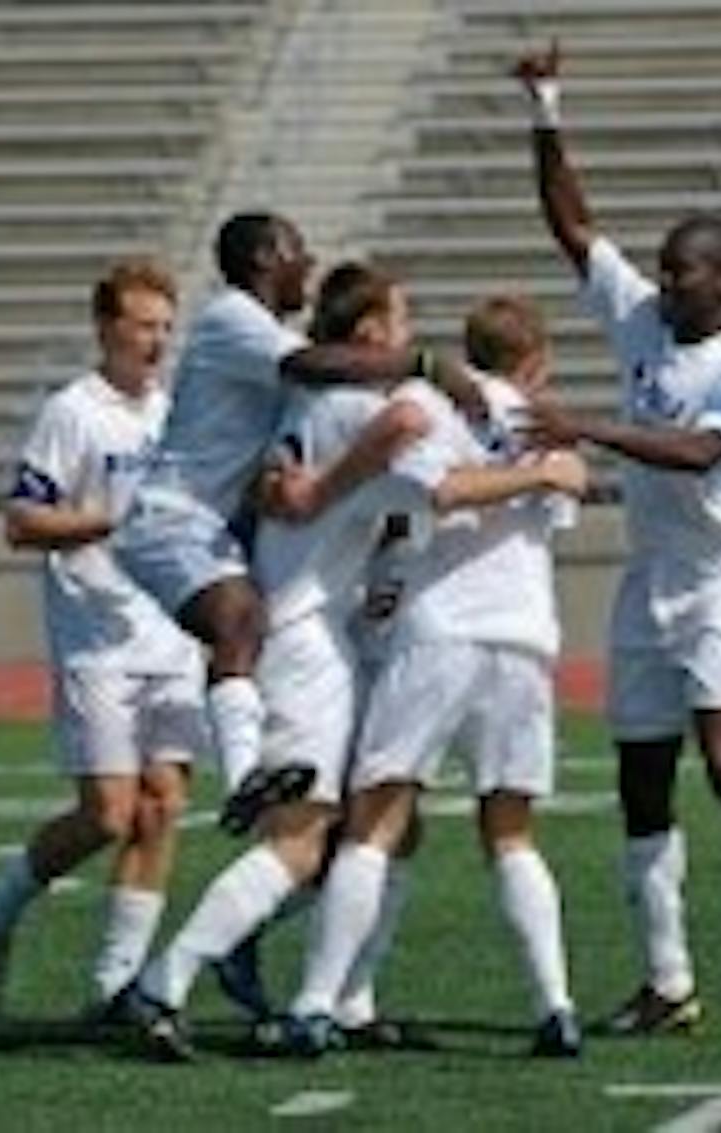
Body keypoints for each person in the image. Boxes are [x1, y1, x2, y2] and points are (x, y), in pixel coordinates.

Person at [116, 266, 579, 1062]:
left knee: (386, 829)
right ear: (368, 333)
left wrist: (308, 488)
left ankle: (343, 999)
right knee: (304, 839)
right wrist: (525, 448)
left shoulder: (310, 404)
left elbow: (335, 484)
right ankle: (166, 982)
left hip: (329, 633)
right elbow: (413, 441)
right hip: (306, 638)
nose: (407, 338)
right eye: (399, 322)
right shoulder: (369, 407)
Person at [513, 42, 721, 1032]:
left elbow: (698, 452)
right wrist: (546, 107)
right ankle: (667, 980)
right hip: (648, 577)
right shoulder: (643, 316)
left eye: (684, 273)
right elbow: (572, 226)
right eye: (662, 269)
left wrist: (587, 428)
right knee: (640, 779)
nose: (664, 283)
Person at [270, 291, 588, 1059]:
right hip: (525, 635)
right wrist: (543, 473)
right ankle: (555, 1005)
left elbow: (438, 490)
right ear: (538, 360)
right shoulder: (545, 424)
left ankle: (315, 1002)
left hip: (444, 629)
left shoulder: (430, 401)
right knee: (510, 830)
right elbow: (559, 491)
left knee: (374, 819)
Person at [116, 213, 485, 837]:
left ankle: (251, 781)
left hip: (215, 528)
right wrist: (422, 364)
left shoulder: (262, 337)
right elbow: (311, 365)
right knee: (240, 620)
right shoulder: (232, 316)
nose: (308, 265)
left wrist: (276, 476)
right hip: (173, 516)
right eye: (297, 251)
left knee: (247, 629)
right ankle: (243, 779)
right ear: (265, 256)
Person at [0, 259, 210, 1017]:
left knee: (162, 806)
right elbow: (21, 521)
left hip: (170, 633)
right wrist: (108, 522)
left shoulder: (174, 412)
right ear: (105, 328)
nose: (156, 341)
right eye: (143, 326)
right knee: (108, 812)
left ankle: (114, 985)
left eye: (166, 327)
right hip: (96, 636)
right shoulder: (72, 411)